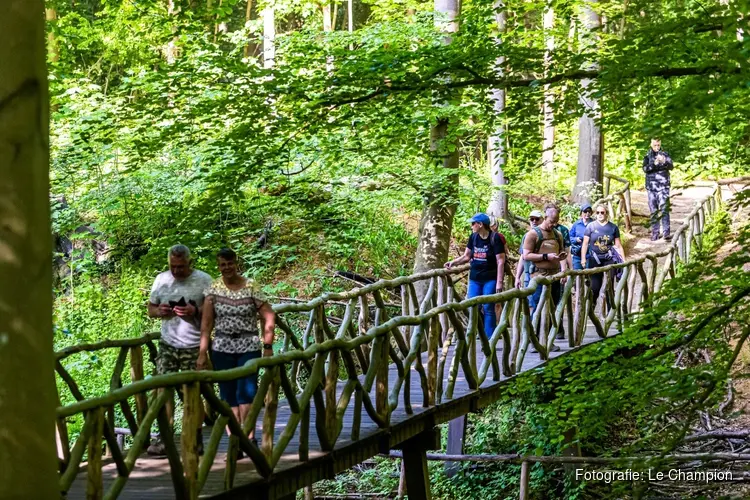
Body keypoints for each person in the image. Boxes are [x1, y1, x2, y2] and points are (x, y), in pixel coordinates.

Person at [199, 248, 276, 445]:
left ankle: (248, 436)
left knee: (247, 392)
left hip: (248, 345)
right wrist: (202, 353)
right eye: (222, 265)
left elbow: (268, 314)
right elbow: (207, 324)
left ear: (236, 263)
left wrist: (268, 345)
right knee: (227, 394)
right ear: (219, 266)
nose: (227, 268)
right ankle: (235, 437)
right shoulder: (213, 289)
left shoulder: (250, 286)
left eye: (230, 263)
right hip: (222, 347)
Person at [147, 244, 213, 456]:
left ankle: (195, 438)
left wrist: (195, 310)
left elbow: (215, 311)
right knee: (161, 393)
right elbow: (150, 309)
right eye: (173, 267)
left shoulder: (204, 280)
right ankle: (164, 439)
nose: (176, 271)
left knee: (191, 396)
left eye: (181, 267)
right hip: (167, 345)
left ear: (190, 263)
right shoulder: (161, 279)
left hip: (193, 345)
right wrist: (160, 310)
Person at [445, 213, 506, 339]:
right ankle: (475, 334)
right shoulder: (473, 237)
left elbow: (500, 260)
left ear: (480, 224)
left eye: (473, 223)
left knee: (488, 306)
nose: (471, 226)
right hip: (475, 278)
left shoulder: (495, 238)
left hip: (490, 278)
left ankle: (490, 338)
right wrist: (453, 262)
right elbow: (467, 256)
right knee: (472, 305)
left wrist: (499, 281)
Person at [522, 205, 567, 316]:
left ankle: (550, 332)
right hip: (539, 277)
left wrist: (563, 265)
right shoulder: (532, 234)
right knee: (538, 308)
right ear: (545, 217)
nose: (554, 224)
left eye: (556, 222)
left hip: (554, 277)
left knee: (553, 307)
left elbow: (561, 251)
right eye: (552, 221)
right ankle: (534, 333)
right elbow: (526, 255)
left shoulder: (558, 235)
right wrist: (545, 256)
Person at [581, 204, 626, 311]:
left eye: (602, 212)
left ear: (606, 214)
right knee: (595, 287)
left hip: (609, 259)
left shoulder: (613, 227)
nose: (600, 215)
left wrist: (623, 261)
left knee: (609, 286)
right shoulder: (591, 226)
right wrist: (583, 258)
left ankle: (612, 311)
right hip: (594, 259)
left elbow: (618, 245)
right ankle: (591, 308)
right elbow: (585, 243)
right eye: (597, 212)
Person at [643, 138, 674, 241]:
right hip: (651, 187)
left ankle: (666, 233)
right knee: (653, 210)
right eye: (655, 145)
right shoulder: (647, 156)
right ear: (651, 144)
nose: (657, 147)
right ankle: (655, 233)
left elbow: (671, 166)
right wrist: (654, 164)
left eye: (658, 145)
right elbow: (645, 169)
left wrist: (664, 161)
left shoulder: (665, 154)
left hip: (663, 186)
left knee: (664, 209)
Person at [514, 210, 542, 289]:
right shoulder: (526, 236)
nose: (534, 221)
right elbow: (522, 257)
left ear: (542, 220)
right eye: (532, 219)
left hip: (541, 274)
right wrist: (517, 277)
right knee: (529, 299)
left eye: (537, 219)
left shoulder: (547, 235)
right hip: (528, 274)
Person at [569, 203, 593, 270]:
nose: (587, 213)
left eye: (589, 211)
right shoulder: (576, 224)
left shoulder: (594, 224)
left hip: (590, 255)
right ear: (581, 213)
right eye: (585, 211)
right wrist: (576, 239)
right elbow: (569, 238)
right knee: (577, 275)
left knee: (589, 275)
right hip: (577, 254)